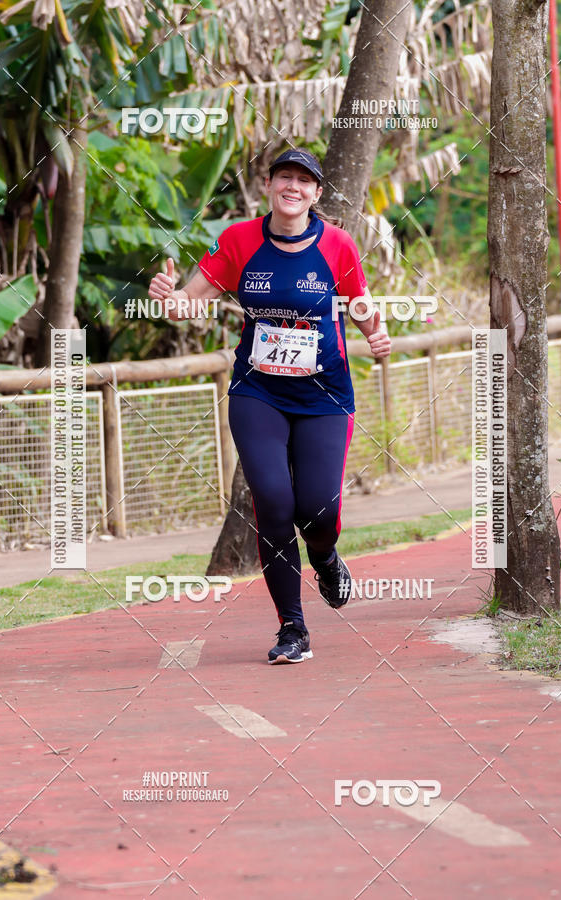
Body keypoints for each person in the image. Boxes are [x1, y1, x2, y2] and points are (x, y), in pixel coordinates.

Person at [148, 148, 391, 664]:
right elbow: (195, 299)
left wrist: (377, 331)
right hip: (258, 393)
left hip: (324, 396)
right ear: (269, 184)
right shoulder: (238, 240)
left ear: (316, 194)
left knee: (318, 510)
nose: (294, 187)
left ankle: (324, 556)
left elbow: (359, 299)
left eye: (305, 181)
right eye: (286, 177)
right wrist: (170, 300)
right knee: (275, 506)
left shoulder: (338, 245)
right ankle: (292, 628)